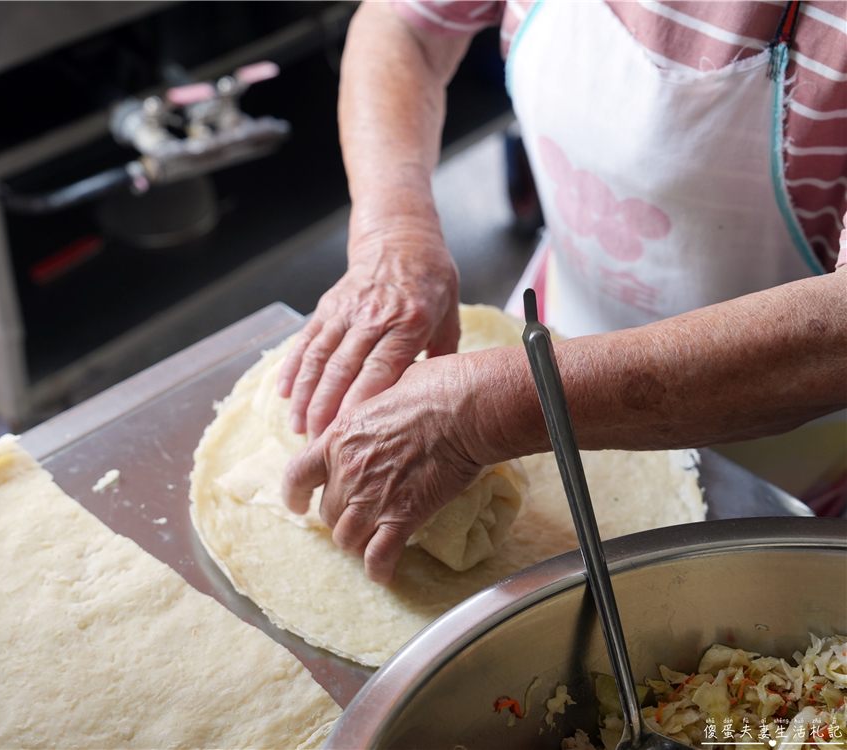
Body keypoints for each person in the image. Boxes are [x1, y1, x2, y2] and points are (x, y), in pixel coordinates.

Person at [279, 1, 847, 584]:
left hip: (777, 469)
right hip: (538, 340)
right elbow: (405, 26)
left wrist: (485, 415)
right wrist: (392, 234)